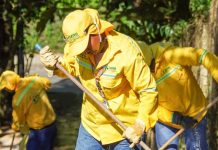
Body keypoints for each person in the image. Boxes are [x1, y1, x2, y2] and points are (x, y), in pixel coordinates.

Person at [39, 8, 158, 149]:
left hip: (124, 130)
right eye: (78, 47)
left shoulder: (126, 52)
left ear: (95, 31)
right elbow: (71, 67)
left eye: (85, 44)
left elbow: (148, 90)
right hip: (91, 127)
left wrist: (140, 124)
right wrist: (55, 65)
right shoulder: (77, 49)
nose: (83, 50)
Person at [138, 41, 218, 150]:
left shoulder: (170, 55)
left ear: (151, 57)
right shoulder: (138, 75)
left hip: (194, 114)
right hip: (166, 120)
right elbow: (150, 106)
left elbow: (202, 55)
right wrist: (176, 119)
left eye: (150, 66)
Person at [0, 70, 57, 150]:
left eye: (6, 87)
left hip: (39, 131)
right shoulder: (34, 80)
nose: (6, 89)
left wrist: (15, 127)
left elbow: (18, 119)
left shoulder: (17, 99)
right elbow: (48, 83)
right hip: (52, 125)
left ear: (10, 85)